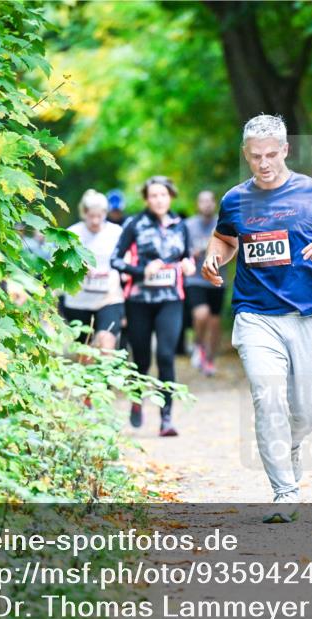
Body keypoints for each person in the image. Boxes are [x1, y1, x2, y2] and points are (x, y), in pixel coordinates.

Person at [201, 115, 312, 523]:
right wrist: (214, 257)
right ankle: (284, 491)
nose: (264, 163)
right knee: (267, 397)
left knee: (308, 410)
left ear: (286, 150)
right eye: (256, 156)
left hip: (308, 315)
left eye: (272, 154)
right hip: (255, 316)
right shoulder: (235, 199)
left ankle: (288, 445)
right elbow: (225, 238)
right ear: (246, 155)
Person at [112, 176, 195, 437]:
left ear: (171, 197)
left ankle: (166, 418)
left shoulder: (180, 225)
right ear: (146, 199)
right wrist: (141, 271)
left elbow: (187, 256)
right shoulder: (134, 223)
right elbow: (115, 260)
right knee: (142, 359)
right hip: (139, 301)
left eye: (163, 195)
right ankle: (137, 400)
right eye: (153, 195)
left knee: (166, 356)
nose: (159, 200)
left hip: (171, 299)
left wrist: (189, 265)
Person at [58, 189, 125, 352]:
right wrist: (78, 266)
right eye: (91, 216)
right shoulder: (73, 233)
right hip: (78, 301)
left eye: (99, 216)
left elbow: (127, 258)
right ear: (84, 213)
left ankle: (107, 368)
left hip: (109, 297)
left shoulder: (116, 232)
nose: (95, 221)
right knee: (85, 351)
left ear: (105, 213)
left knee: (106, 342)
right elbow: (60, 263)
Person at [185, 190, 226, 376]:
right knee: (202, 315)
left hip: (217, 279)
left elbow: (234, 248)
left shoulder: (223, 223)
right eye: (203, 201)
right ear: (198, 204)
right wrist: (191, 254)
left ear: (215, 203)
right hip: (195, 279)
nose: (207, 204)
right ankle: (198, 344)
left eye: (210, 201)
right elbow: (181, 250)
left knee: (215, 322)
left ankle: (209, 360)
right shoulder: (188, 225)